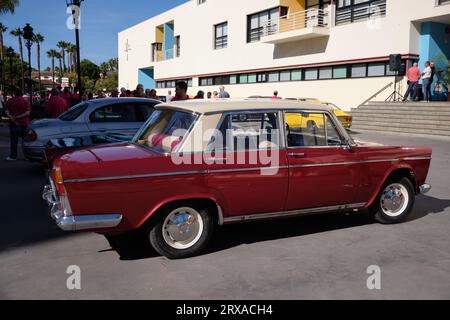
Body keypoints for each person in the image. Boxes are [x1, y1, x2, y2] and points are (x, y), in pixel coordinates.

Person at [4, 88, 31, 161]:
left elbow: (6, 112)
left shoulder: (10, 101)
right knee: (25, 141)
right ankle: (27, 156)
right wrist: (18, 117)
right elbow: (27, 113)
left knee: (14, 141)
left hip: (14, 123)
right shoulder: (25, 102)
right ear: (21, 94)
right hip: (24, 123)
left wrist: (12, 118)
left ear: (14, 94)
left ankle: (13, 156)